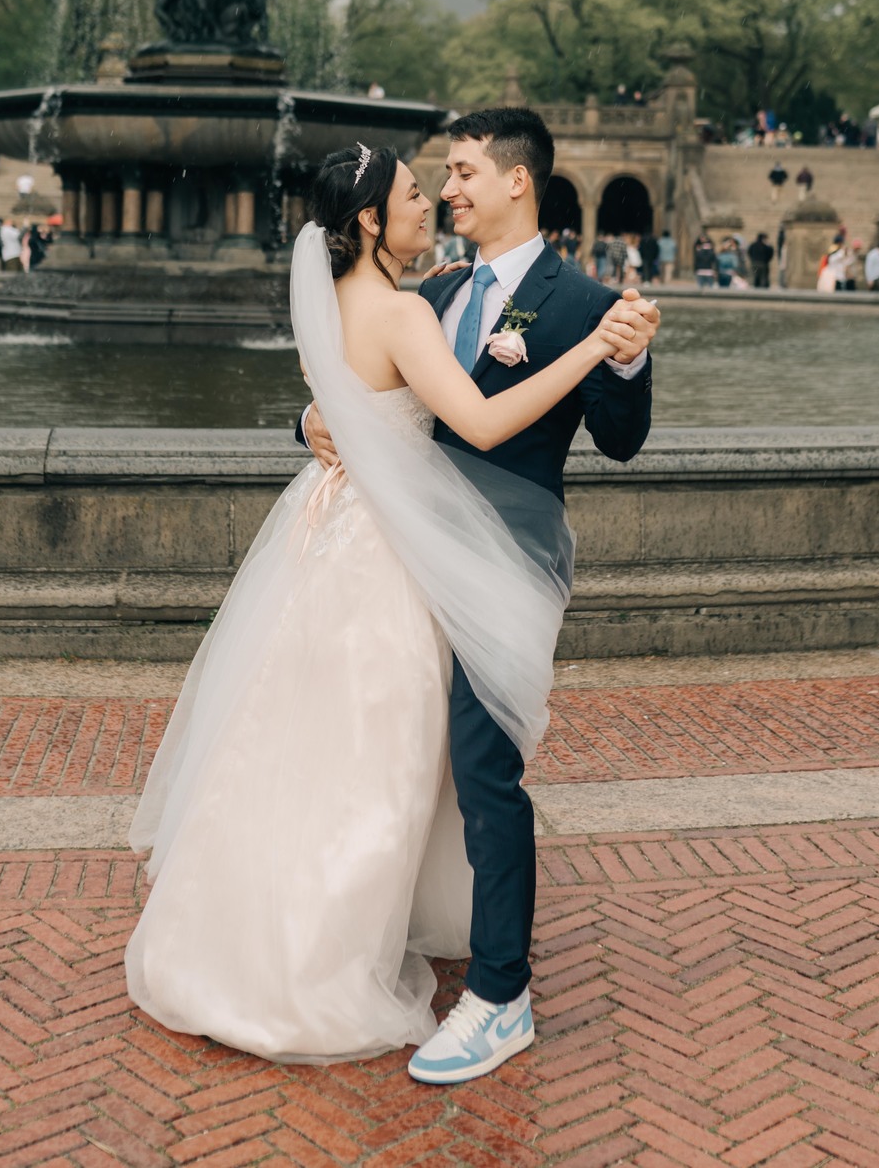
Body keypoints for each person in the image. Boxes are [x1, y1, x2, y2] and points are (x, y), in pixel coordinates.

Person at [126, 115, 658, 1081]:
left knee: (475, 770)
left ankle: (500, 995)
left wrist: (617, 351)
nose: (446, 192)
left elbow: (621, 437)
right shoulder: (432, 291)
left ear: (517, 183)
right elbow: (375, 392)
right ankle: (391, 933)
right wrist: (313, 417)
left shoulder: (582, 300)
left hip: (495, 560)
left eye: (459, 173)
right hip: (397, 559)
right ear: (375, 220)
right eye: (431, 182)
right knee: (379, 753)